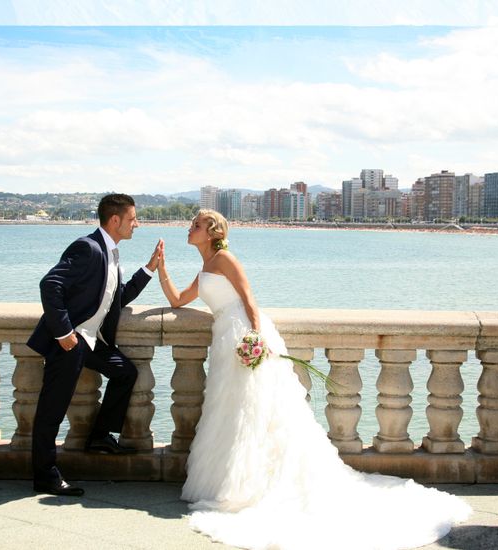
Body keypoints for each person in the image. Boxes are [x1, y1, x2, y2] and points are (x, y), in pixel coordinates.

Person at [154, 209, 471, 549]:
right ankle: (233, 483)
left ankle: (260, 486)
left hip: (244, 338)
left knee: (257, 410)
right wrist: (161, 268)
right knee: (231, 412)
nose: (190, 229)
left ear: (213, 232)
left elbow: (249, 300)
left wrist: (255, 339)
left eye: (196, 225)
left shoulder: (225, 258)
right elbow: (175, 300)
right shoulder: (205, 268)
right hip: (223, 343)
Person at [27, 193, 163, 497]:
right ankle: (45, 476)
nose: (136, 225)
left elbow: (117, 298)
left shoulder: (110, 252)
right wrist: (64, 334)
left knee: (125, 372)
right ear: (114, 220)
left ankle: (100, 436)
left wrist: (150, 268)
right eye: (132, 219)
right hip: (71, 342)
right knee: (52, 409)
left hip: (92, 341)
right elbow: (50, 285)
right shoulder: (88, 248)